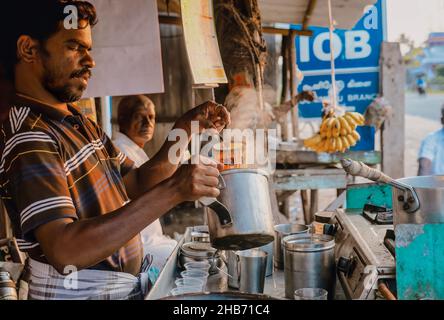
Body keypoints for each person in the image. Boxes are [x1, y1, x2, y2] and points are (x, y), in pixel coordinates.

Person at [0, 0, 230, 300]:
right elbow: (66, 249)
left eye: (89, 50)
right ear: (29, 49)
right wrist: (174, 190)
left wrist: (184, 129)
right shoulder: (29, 136)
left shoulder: (78, 123)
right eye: (74, 47)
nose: (90, 61)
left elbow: (136, 183)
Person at [113, 95, 177, 270]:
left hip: (151, 240)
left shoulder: (135, 150)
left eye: (151, 117)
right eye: (139, 116)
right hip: (137, 245)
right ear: (123, 119)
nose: (147, 122)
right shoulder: (118, 150)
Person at [418, 105, 444, 176]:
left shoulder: (431, 139)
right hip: (436, 185)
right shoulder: (431, 139)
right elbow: (424, 166)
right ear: (442, 120)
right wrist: (422, 185)